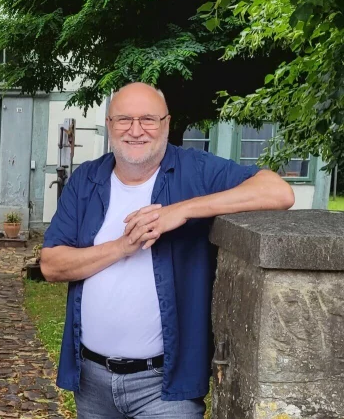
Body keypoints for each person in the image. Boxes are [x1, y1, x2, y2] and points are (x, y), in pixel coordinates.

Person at [40, 83, 295, 418]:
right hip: (93, 382)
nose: (135, 130)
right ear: (109, 123)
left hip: (165, 388)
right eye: (124, 120)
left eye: (148, 119)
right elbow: (51, 265)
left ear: (166, 123)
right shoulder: (87, 179)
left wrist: (183, 210)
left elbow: (278, 192)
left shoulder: (196, 169)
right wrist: (122, 246)